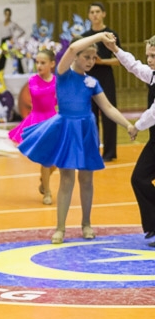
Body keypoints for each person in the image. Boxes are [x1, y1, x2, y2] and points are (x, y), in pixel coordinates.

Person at [18, 33, 137, 244]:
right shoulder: (63, 73)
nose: (90, 61)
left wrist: (127, 124)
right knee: (67, 179)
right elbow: (72, 48)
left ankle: (86, 223)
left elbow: (108, 107)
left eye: (93, 58)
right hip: (67, 129)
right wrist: (98, 36)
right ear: (76, 57)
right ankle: (60, 228)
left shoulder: (92, 82)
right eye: (86, 57)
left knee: (87, 179)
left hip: (85, 130)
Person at [104, 34, 155, 245]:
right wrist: (115, 49)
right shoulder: (153, 75)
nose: (149, 60)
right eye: (148, 55)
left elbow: (154, 113)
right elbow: (134, 66)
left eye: (153, 56)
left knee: (140, 178)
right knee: (139, 178)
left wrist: (136, 127)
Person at [8, 49, 58, 204]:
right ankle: (47, 192)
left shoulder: (57, 80)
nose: (39, 65)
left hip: (52, 119)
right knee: (46, 158)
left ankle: (44, 180)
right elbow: (37, 93)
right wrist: (57, 87)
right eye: (37, 62)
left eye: (43, 62)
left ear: (52, 64)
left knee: (57, 159)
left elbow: (57, 100)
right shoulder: (33, 80)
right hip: (37, 121)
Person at [82, 2, 121, 162]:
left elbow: (119, 60)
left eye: (98, 11)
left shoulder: (111, 34)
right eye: (92, 12)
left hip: (106, 78)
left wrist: (102, 61)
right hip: (88, 79)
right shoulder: (85, 36)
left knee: (109, 115)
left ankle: (109, 153)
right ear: (89, 15)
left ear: (103, 14)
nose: (95, 15)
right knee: (90, 116)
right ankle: (92, 151)